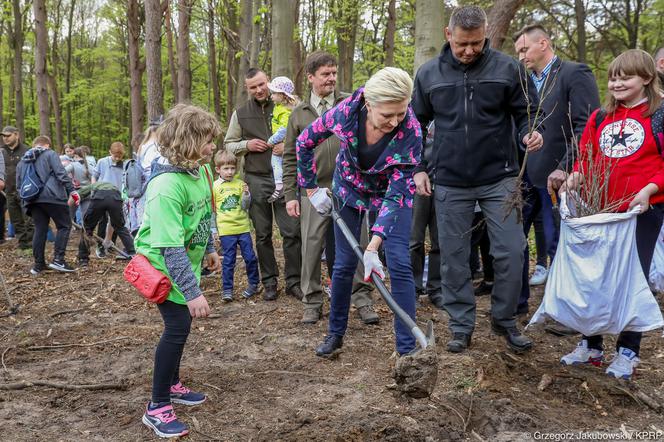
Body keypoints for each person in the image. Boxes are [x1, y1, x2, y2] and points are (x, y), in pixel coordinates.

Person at [411, 5, 543, 354]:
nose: (469, 50)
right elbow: (414, 125)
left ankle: (504, 320)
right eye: (462, 44)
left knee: (512, 251)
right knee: (454, 256)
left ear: (485, 35)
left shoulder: (508, 68)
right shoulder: (428, 75)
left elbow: (528, 112)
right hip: (450, 180)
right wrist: (419, 168)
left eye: (477, 43)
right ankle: (460, 326)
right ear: (448, 36)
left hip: (499, 176)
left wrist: (531, 132)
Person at [297, 67, 422, 358]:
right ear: (369, 103)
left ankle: (407, 352)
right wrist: (312, 190)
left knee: (400, 264)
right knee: (342, 266)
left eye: (400, 113)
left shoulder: (411, 132)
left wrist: (374, 246)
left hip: (390, 197)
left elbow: (398, 193)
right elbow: (304, 143)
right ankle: (335, 334)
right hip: (348, 189)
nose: (395, 121)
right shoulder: (346, 112)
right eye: (387, 115)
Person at [559, 49, 664, 380]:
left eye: (626, 77)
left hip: (641, 212)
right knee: (595, 278)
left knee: (632, 277)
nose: (617, 83)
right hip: (599, 210)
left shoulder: (660, 115)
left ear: (646, 78)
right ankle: (591, 346)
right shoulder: (601, 117)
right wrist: (576, 177)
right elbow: (586, 158)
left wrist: (649, 190)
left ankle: (628, 351)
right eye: (613, 77)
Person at [136, 104, 222, 438]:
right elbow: (169, 248)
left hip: (187, 262)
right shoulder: (165, 187)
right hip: (163, 267)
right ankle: (157, 407)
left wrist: (210, 249)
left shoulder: (201, 171)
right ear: (185, 142)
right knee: (177, 326)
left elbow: (203, 214)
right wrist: (192, 292)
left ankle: (172, 385)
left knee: (181, 326)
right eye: (206, 141)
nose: (213, 147)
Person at [283, 51, 378, 325]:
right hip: (312, 191)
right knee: (311, 247)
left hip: (349, 187)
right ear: (311, 77)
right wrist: (292, 194)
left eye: (334, 73)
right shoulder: (299, 113)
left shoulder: (351, 104)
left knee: (356, 242)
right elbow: (290, 155)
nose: (331, 78)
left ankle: (362, 298)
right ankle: (312, 301)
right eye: (325, 74)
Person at [513, 24, 601, 314]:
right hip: (524, 175)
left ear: (544, 43)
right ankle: (518, 303)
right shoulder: (523, 82)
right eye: (518, 52)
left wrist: (567, 167)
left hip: (561, 178)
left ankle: (565, 311)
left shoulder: (574, 73)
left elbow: (587, 126)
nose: (522, 56)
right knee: (514, 242)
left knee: (562, 246)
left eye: (525, 49)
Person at [224, 68, 301, 301]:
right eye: (253, 87)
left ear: (268, 81)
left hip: (286, 177)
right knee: (263, 234)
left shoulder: (289, 105)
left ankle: (294, 281)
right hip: (257, 179)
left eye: (261, 84)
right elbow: (229, 144)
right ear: (247, 88)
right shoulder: (241, 113)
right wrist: (247, 145)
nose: (258, 90)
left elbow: (306, 135)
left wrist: (288, 145)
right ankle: (269, 282)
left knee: (291, 232)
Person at [16, 136, 78, 274]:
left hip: (32, 199)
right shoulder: (50, 154)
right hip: (53, 197)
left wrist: (25, 203)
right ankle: (58, 260)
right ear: (47, 144)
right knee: (64, 226)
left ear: (34, 144)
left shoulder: (22, 161)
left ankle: (38, 265)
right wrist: (72, 191)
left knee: (40, 229)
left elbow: (19, 185)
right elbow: (61, 174)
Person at [212, 149, 259, 301]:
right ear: (218, 169)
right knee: (229, 260)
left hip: (243, 228)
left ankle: (253, 284)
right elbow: (212, 209)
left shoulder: (240, 184)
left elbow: (245, 206)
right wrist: (214, 229)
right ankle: (227, 290)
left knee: (250, 258)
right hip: (226, 230)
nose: (230, 172)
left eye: (232, 168)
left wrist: (246, 195)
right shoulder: (215, 187)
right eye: (226, 168)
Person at [409, 122, 443, 308]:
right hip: (417, 183)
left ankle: (436, 288)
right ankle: (413, 287)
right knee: (414, 239)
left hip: (444, 182)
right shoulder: (416, 115)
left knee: (440, 241)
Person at [265, 76, 300, 203]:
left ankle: (280, 186)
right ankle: (280, 185)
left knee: (276, 161)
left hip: (285, 141)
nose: (271, 96)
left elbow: (284, 129)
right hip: (282, 141)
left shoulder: (287, 110)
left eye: (274, 93)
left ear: (283, 95)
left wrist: (271, 140)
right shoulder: (279, 107)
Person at [0, 126, 34, 251]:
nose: (5, 138)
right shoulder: (1, 151)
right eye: (3, 136)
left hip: (25, 191)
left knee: (29, 219)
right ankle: (23, 245)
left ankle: (31, 245)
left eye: (8, 135)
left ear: (17, 135)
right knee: (16, 220)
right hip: (8, 191)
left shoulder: (27, 150)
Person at [92, 141, 126, 257]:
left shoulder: (124, 165)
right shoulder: (102, 162)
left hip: (117, 196)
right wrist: (94, 187)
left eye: (119, 156)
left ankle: (111, 243)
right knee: (103, 221)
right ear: (109, 152)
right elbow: (94, 175)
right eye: (115, 156)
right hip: (102, 194)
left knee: (116, 221)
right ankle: (100, 246)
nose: (117, 158)